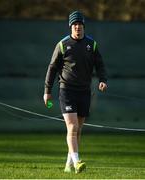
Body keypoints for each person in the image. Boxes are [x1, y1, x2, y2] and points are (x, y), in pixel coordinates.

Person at [43, 11, 107, 173]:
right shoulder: (63, 44)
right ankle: (78, 162)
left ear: (84, 26)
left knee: (78, 129)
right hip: (67, 91)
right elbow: (52, 68)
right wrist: (47, 91)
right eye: (74, 25)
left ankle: (69, 164)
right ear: (71, 27)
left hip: (84, 91)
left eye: (80, 24)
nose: (77, 27)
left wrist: (102, 80)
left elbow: (100, 65)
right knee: (72, 127)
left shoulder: (91, 44)